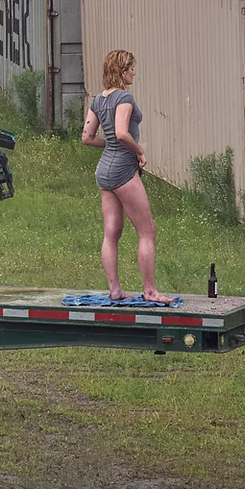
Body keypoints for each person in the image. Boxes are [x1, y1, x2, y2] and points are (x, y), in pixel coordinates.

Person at [81, 48, 162, 302]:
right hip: (122, 171)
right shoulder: (124, 98)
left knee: (111, 232)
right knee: (147, 231)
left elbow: (87, 138)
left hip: (104, 170)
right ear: (122, 72)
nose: (134, 73)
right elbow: (121, 133)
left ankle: (115, 290)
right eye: (131, 69)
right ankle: (150, 290)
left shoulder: (97, 100)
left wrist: (111, 147)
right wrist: (140, 151)